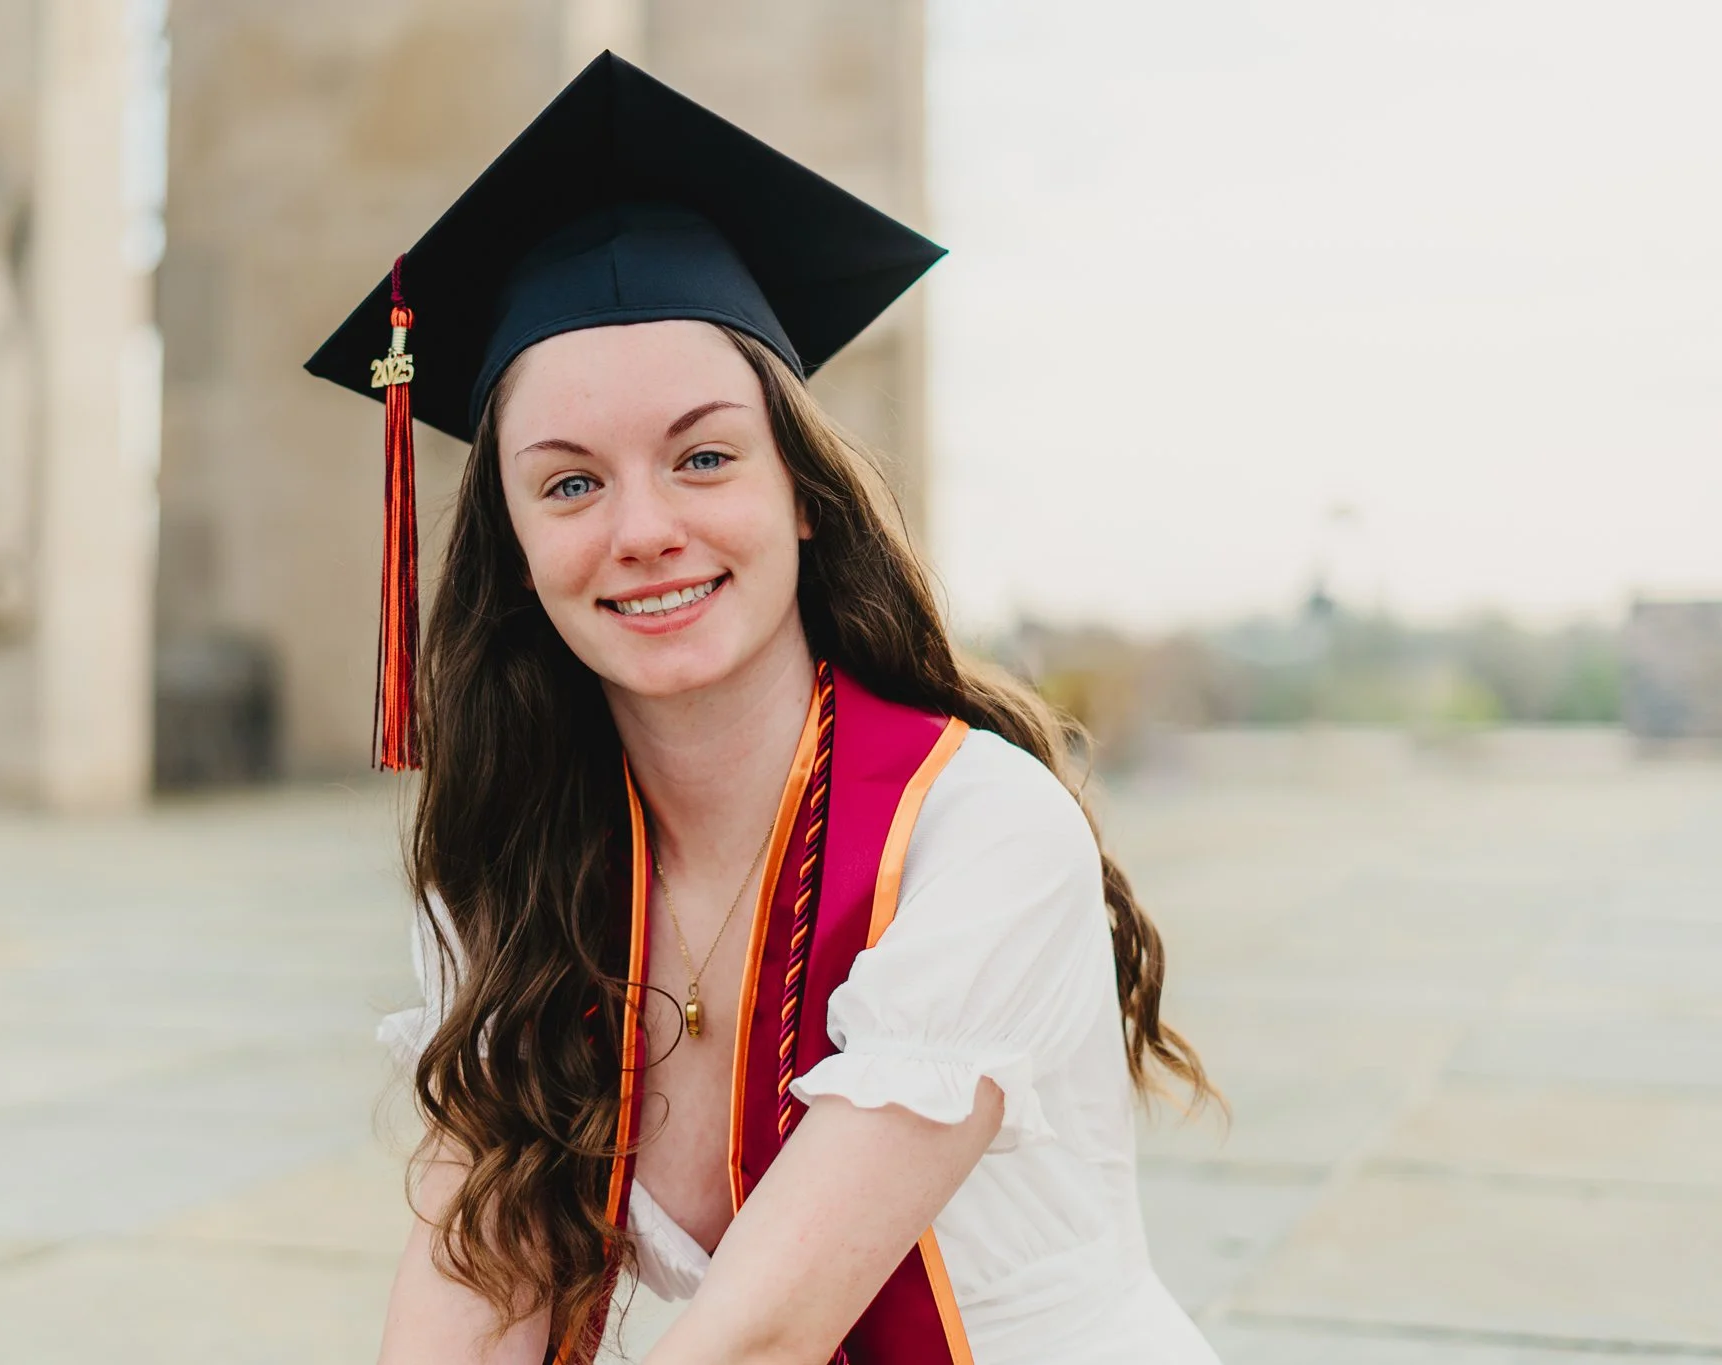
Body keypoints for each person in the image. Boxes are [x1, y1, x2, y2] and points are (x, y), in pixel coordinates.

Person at [309, 53, 1221, 1365]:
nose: (643, 530)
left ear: (799, 492)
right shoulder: (518, 870)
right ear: (512, 548)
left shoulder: (981, 834)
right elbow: (481, 1272)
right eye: (569, 485)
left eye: (704, 457)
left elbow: (760, 1336)